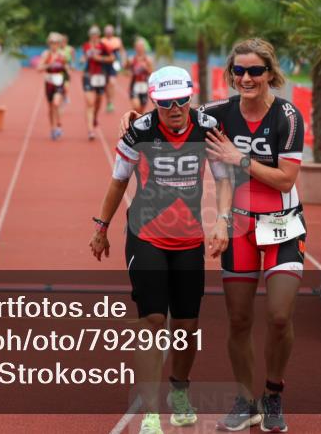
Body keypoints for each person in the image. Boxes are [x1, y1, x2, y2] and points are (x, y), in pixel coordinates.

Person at [124, 38, 307, 432]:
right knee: (238, 320)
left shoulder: (288, 116)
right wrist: (135, 117)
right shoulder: (217, 113)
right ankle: (245, 400)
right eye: (238, 71)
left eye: (255, 71)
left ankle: (273, 393)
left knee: (278, 315)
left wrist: (238, 158)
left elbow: (286, 179)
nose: (246, 78)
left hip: (281, 223)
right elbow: (172, 113)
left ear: (270, 74)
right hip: (238, 224)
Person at [91, 66, 232, 434]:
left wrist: (222, 220)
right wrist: (101, 228)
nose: (175, 108)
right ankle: (151, 410)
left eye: (182, 100)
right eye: (166, 102)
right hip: (146, 236)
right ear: (153, 100)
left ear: (190, 96)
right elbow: (118, 181)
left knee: (186, 326)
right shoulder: (138, 132)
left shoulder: (206, 128)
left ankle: (179, 392)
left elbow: (223, 179)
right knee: (153, 322)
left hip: (188, 241)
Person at [82, 25, 114, 140]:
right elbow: (84, 57)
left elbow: (112, 58)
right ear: (89, 35)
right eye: (92, 34)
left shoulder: (103, 45)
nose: (94, 36)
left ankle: (95, 116)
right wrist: (83, 59)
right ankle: (90, 130)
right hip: (88, 75)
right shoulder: (86, 46)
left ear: (99, 35)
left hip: (100, 76)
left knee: (99, 100)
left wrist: (100, 58)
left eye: (96, 33)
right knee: (90, 102)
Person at [38, 32, 71, 140]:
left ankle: (59, 125)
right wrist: (48, 65)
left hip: (59, 82)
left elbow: (66, 68)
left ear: (59, 44)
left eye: (56, 43)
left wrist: (67, 72)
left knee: (56, 104)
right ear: (49, 44)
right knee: (50, 107)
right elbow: (38, 68)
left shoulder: (62, 55)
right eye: (52, 43)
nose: (54, 45)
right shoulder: (46, 54)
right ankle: (53, 128)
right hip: (49, 83)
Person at [102, 24, 127, 113]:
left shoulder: (117, 40)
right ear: (105, 32)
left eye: (110, 31)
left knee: (112, 83)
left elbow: (122, 51)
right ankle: (108, 100)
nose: (108, 33)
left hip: (114, 64)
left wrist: (123, 61)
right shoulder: (102, 41)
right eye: (107, 31)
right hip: (104, 64)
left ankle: (111, 102)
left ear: (112, 32)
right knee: (105, 85)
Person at [128, 37, 154, 113]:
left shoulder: (148, 59)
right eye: (138, 47)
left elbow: (152, 73)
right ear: (135, 48)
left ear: (144, 48)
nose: (139, 49)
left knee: (141, 111)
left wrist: (145, 67)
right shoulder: (132, 59)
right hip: (134, 85)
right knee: (136, 106)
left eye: (141, 47)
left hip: (144, 86)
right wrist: (127, 64)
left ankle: (136, 122)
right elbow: (125, 69)